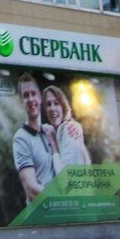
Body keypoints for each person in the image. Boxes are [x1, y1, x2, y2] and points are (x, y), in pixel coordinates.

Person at [13, 73, 56, 203]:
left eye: (33, 94)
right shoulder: (20, 139)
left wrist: (76, 128)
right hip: (41, 212)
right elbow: (31, 188)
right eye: (26, 95)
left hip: (63, 210)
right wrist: (60, 201)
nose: (31, 99)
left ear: (40, 97)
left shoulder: (51, 130)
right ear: (21, 101)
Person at [42, 84, 91, 169]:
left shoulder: (69, 130)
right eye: (48, 104)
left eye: (56, 103)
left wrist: (53, 145)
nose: (52, 108)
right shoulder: (51, 130)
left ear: (63, 107)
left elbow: (63, 174)